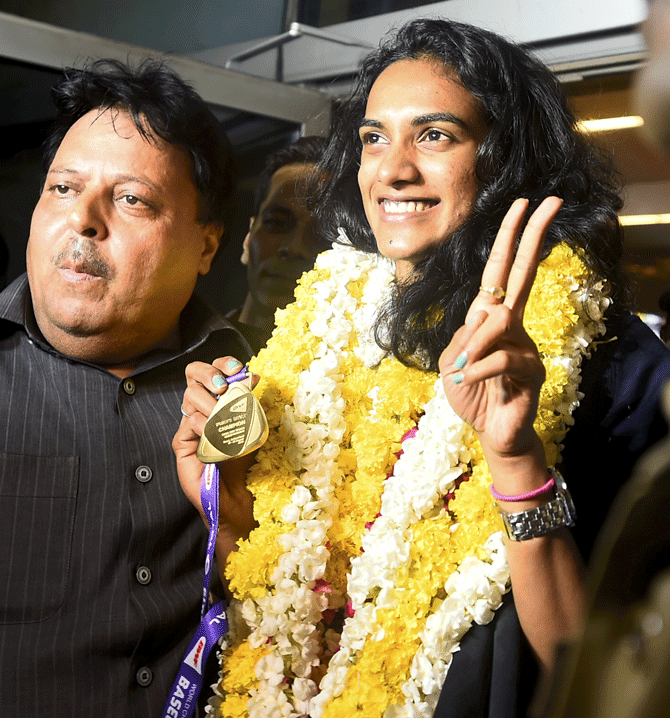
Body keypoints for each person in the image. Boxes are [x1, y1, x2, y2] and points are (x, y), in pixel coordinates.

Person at [173, 18, 670, 718]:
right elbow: (306, 610)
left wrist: (517, 460)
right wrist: (224, 505)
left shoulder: (611, 364)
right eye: (375, 137)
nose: (393, 168)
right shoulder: (328, 334)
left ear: (505, 159)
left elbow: (602, 671)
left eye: (434, 135)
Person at [0, 59, 253, 716]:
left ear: (206, 246)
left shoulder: (254, 393)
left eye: (132, 198)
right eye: (62, 188)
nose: (83, 219)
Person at [227, 135, 329, 351]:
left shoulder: (350, 381)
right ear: (248, 239)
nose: (294, 248)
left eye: (320, 234)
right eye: (277, 223)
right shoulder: (183, 356)